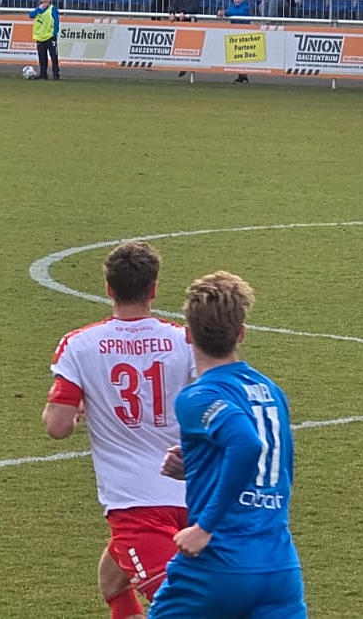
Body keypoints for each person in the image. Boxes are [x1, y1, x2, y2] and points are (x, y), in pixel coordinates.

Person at [42, 241, 194, 618]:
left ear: (108, 288)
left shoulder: (80, 345)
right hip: (195, 495)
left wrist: (76, 412)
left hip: (135, 504)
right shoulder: (184, 341)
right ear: (153, 289)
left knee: (182, 609)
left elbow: (57, 426)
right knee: (112, 581)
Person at [147, 271, 306, 619]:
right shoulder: (271, 391)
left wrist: (204, 527)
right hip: (279, 568)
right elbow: (273, 464)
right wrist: (200, 466)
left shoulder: (198, 397)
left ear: (188, 334)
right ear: (242, 333)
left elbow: (245, 443)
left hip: (218, 566)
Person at [28, 0, 60, 80]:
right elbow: (31, 15)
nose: (46, 0)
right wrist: (39, 9)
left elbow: (56, 21)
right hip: (40, 37)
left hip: (50, 36)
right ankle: (43, 74)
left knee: (54, 56)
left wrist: (54, 33)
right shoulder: (38, 9)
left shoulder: (52, 9)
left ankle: (56, 74)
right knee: (42, 57)